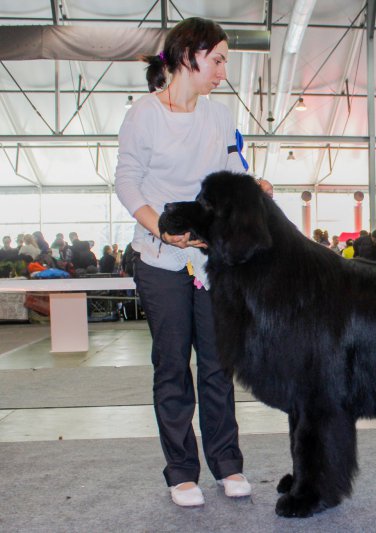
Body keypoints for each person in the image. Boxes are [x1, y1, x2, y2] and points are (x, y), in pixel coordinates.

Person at [114, 17, 250, 508]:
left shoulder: (220, 115)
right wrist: (161, 229)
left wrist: (253, 189)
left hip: (211, 260)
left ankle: (227, 464)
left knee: (218, 365)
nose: (222, 72)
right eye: (218, 60)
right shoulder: (143, 114)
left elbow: (232, 172)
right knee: (172, 366)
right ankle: (181, 472)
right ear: (189, 56)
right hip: (159, 258)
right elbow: (126, 181)